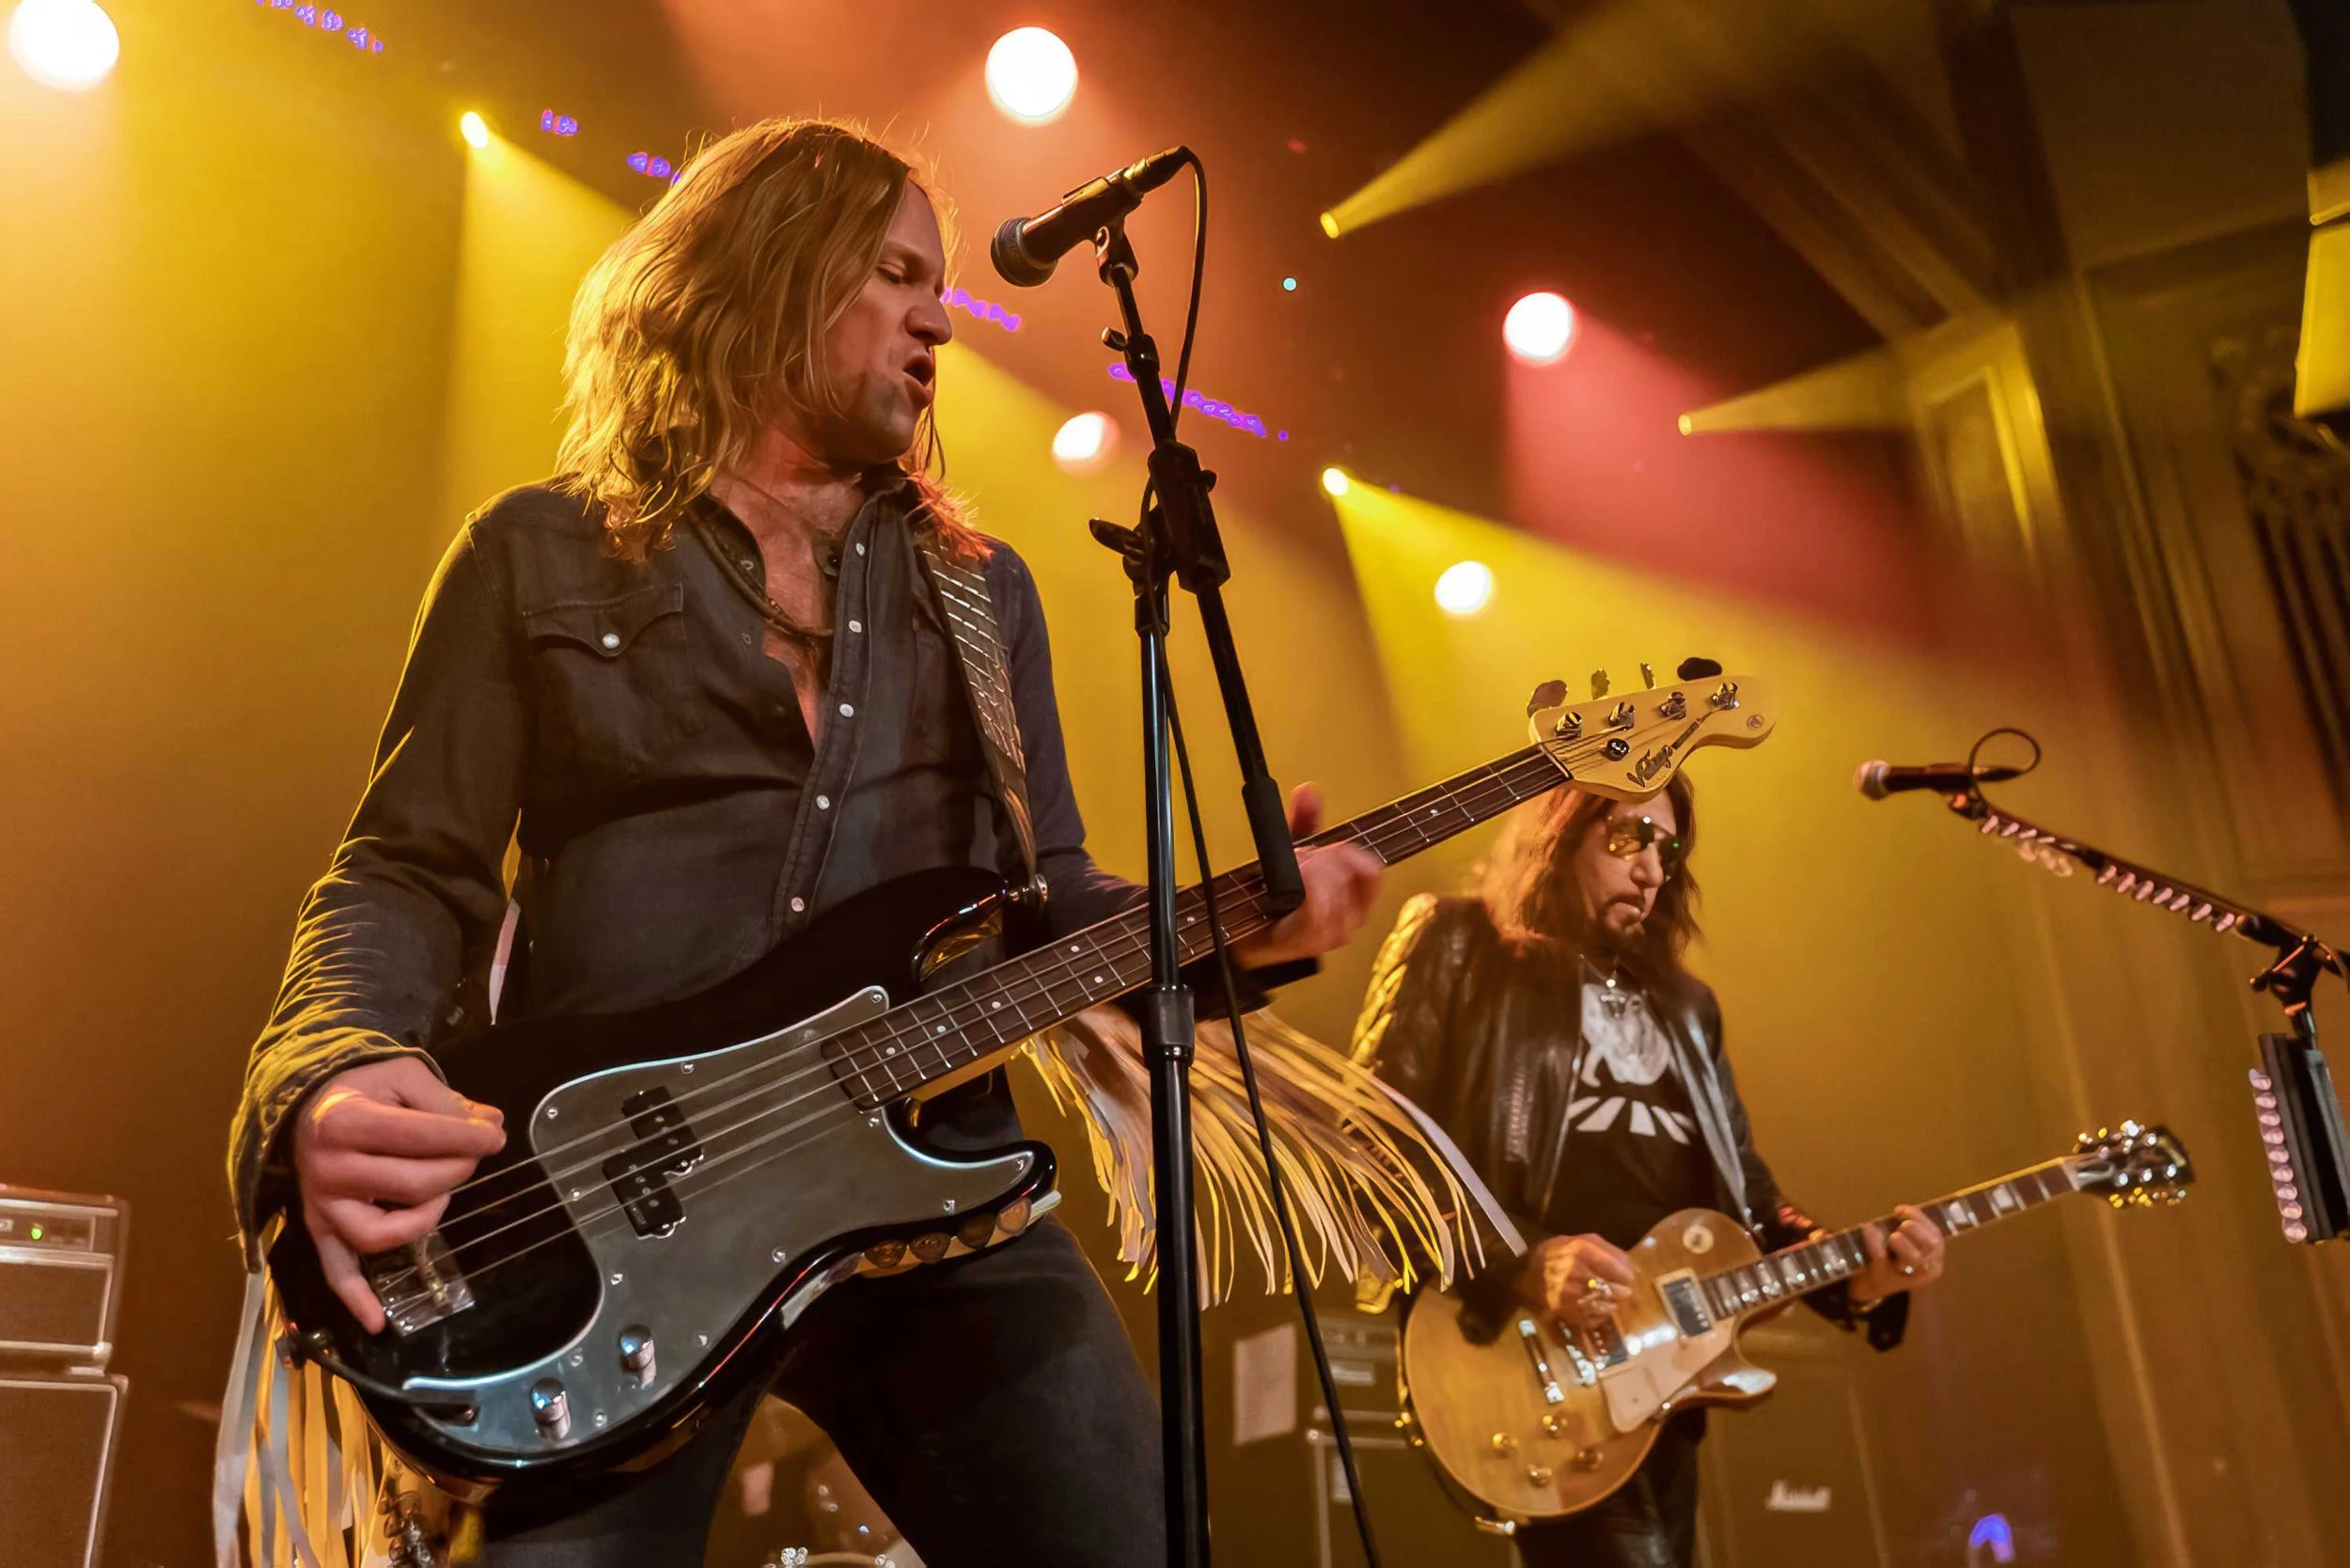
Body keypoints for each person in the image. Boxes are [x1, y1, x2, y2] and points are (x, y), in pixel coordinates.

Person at [225, 118, 1382, 1567]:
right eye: (897, 274)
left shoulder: (983, 594)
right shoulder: (538, 551)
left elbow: (1049, 897)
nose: (938, 319)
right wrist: (333, 1064)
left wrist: (1246, 931)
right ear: (766, 272)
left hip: (932, 1205)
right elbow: (405, 868)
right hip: (620, 1210)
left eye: (940, 286)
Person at [1350, 773, 1944, 1567]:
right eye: (1629, 838)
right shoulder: (1459, 942)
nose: (1652, 870)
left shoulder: (1688, 1009)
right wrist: (1524, 1261)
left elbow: (1751, 1203)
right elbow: (1367, 1152)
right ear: (1559, 836)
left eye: (1669, 850)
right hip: (1525, 1355)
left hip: (1661, 1382)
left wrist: (1858, 1277)